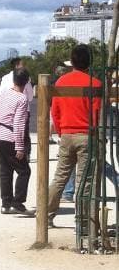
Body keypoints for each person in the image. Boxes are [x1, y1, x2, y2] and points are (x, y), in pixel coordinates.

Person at [47, 43, 103, 231]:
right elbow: (98, 113)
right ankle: (83, 222)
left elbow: (54, 111)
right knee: (84, 181)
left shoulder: (61, 82)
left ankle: (46, 214)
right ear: (89, 62)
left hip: (67, 135)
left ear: (72, 61)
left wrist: (62, 131)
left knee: (60, 177)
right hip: (87, 135)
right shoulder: (95, 84)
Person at [0, 68, 32, 214]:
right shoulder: (22, 99)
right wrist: (20, 147)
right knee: (24, 171)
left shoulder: (3, 93)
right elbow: (19, 123)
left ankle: (5, 203)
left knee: (5, 170)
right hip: (10, 137)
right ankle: (18, 201)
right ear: (26, 82)